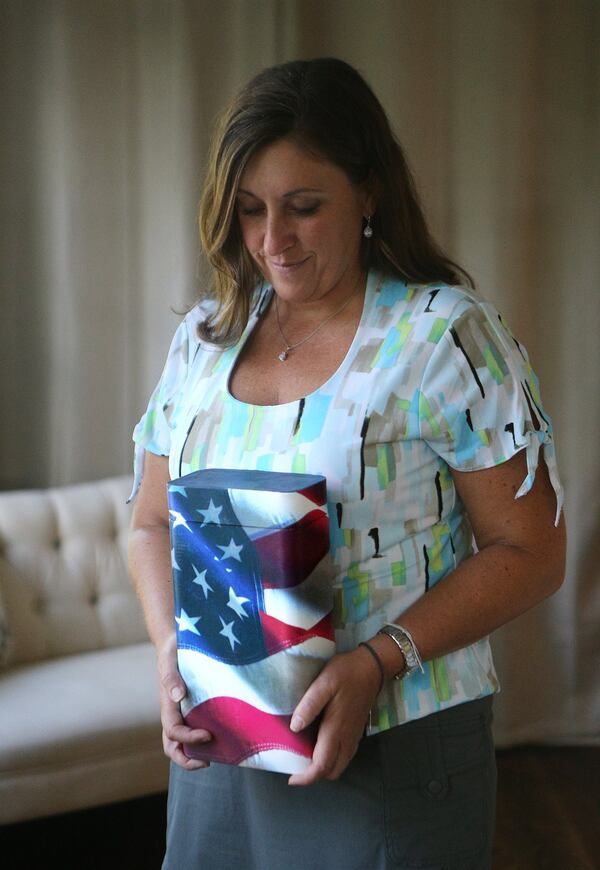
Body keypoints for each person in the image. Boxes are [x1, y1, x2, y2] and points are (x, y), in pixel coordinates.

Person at [127, 57, 566, 870]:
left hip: (395, 742)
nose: (271, 241)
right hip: (221, 741)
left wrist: (376, 661)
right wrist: (170, 653)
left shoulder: (443, 336)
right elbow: (151, 522)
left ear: (368, 192)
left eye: (303, 207)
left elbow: (533, 552)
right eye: (250, 210)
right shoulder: (203, 338)